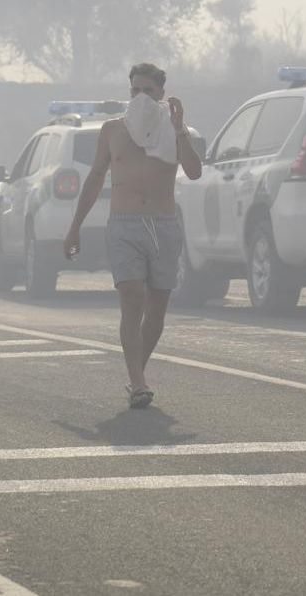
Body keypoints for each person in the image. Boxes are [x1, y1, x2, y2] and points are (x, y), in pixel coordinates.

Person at [63, 62, 201, 408]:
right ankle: (139, 382)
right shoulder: (112, 130)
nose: (140, 97)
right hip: (124, 225)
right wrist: (74, 227)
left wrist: (179, 127)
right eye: (135, 90)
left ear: (161, 95)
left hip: (164, 225)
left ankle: (134, 372)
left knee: (156, 308)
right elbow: (95, 178)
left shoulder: (174, 130)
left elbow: (194, 171)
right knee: (132, 297)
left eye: (148, 91)